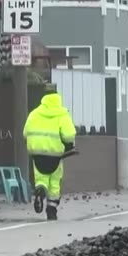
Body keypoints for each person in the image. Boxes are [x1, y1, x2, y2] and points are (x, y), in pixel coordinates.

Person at [23, 83, 77, 221]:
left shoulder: (34, 114)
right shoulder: (62, 114)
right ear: (57, 97)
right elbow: (69, 134)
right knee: (54, 181)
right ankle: (51, 209)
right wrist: (69, 145)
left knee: (41, 178)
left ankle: (40, 190)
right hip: (55, 155)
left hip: (37, 154)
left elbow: (25, 133)